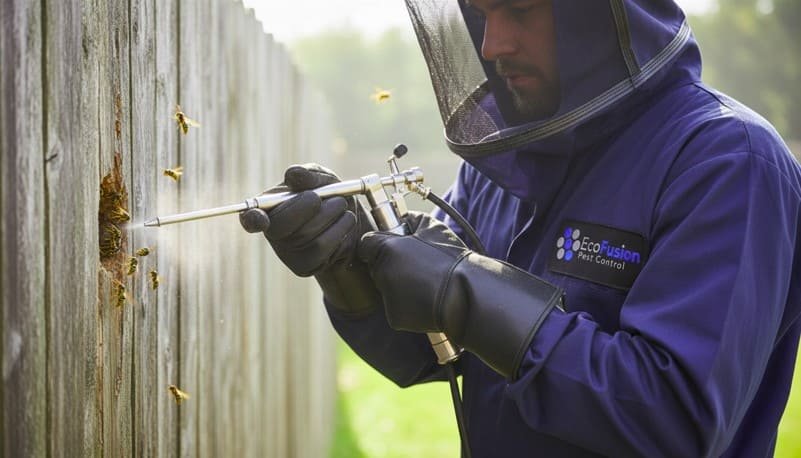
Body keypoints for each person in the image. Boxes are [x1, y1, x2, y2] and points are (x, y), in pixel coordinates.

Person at [240, 0, 801, 456]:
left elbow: (674, 421)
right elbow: (432, 353)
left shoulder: (728, 161)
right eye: (482, 14)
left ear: (606, 15)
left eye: (521, 10)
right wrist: (349, 265)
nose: (493, 45)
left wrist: (465, 292)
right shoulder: (513, 156)